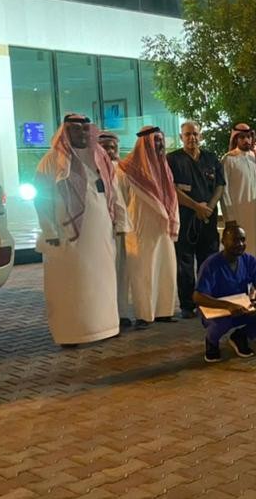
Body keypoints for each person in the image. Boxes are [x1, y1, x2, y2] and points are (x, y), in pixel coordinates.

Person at [34, 114, 128, 346]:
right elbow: (42, 199)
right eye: (75, 129)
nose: (81, 134)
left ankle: (106, 327)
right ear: (66, 132)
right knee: (73, 285)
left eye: (85, 129)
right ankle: (72, 335)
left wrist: (121, 223)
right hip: (68, 235)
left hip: (101, 233)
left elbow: (114, 192)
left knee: (103, 282)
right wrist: (49, 230)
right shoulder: (52, 160)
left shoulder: (100, 157)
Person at [193, 223, 256, 362]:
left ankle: (241, 336)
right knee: (221, 323)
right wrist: (227, 306)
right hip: (216, 309)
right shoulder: (211, 264)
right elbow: (198, 297)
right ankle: (211, 342)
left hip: (240, 307)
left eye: (242, 240)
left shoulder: (249, 261)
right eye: (235, 240)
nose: (240, 244)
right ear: (223, 242)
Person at [118, 126, 180, 328]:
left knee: (166, 269)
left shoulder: (163, 167)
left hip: (163, 229)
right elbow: (121, 200)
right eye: (156, 140)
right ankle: (144, 315)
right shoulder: (127, 169)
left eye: (161, 140)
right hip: (139, 228)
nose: (159, 144)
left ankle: (164, 312)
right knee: (143, 272)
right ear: (144, 143)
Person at [166, 120, 225, 319]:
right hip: (185, 218)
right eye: (187, 134)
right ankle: (187, 304)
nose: (192, 137)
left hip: (208, 218)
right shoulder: (172, 160)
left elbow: (220, 185)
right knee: (184, 263)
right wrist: (195, 206)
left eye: (195, 134)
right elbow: (172, 189)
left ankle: (207, 300)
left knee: (209, 260)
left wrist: (209, 207)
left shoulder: (211, 158)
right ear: (181, 137)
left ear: (201, 136)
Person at [97, 130, 133, 328]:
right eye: (105, 147)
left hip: (120, 229)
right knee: (104, 273)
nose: (110, 151)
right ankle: (105, 315)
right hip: (100, 230)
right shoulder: (93, 170)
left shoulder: (122, 170)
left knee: (121, 273)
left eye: (113, 147)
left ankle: (122, 313)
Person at [221, 123, 256, 258]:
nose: (246, 140)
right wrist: (229, 217)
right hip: (237, 214)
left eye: (248, 137)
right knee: (238, 249)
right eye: (242, 137)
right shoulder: (228, 159)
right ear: (235, 139)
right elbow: (224, 191)